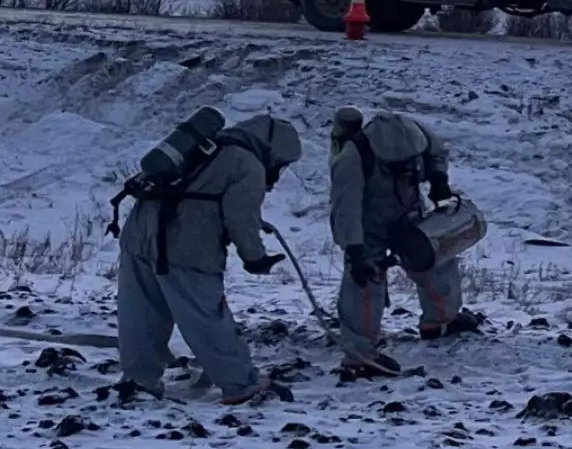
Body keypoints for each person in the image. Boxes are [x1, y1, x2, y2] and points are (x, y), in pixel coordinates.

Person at [116, 113, 303, 405]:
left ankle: (139, 381)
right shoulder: (248, 165)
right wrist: (254, 257)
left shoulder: (205, 147)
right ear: (273, 152)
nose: (277, 173)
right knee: (207, 317)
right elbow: (240, 218)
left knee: (141, 315)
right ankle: (241, 384)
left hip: (138, 235)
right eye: (281, 165)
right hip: (187, 246)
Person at [329, 108, 478, 375]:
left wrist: (439, 180)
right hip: (367, 222)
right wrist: (353, 249)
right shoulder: (352, 158)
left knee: (434, 258)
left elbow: (437, 153)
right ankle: (360, 354)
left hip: (408, 212)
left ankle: (441, 320)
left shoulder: (418, 136)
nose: (408, 167)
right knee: (364, 282)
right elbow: (345, 208)